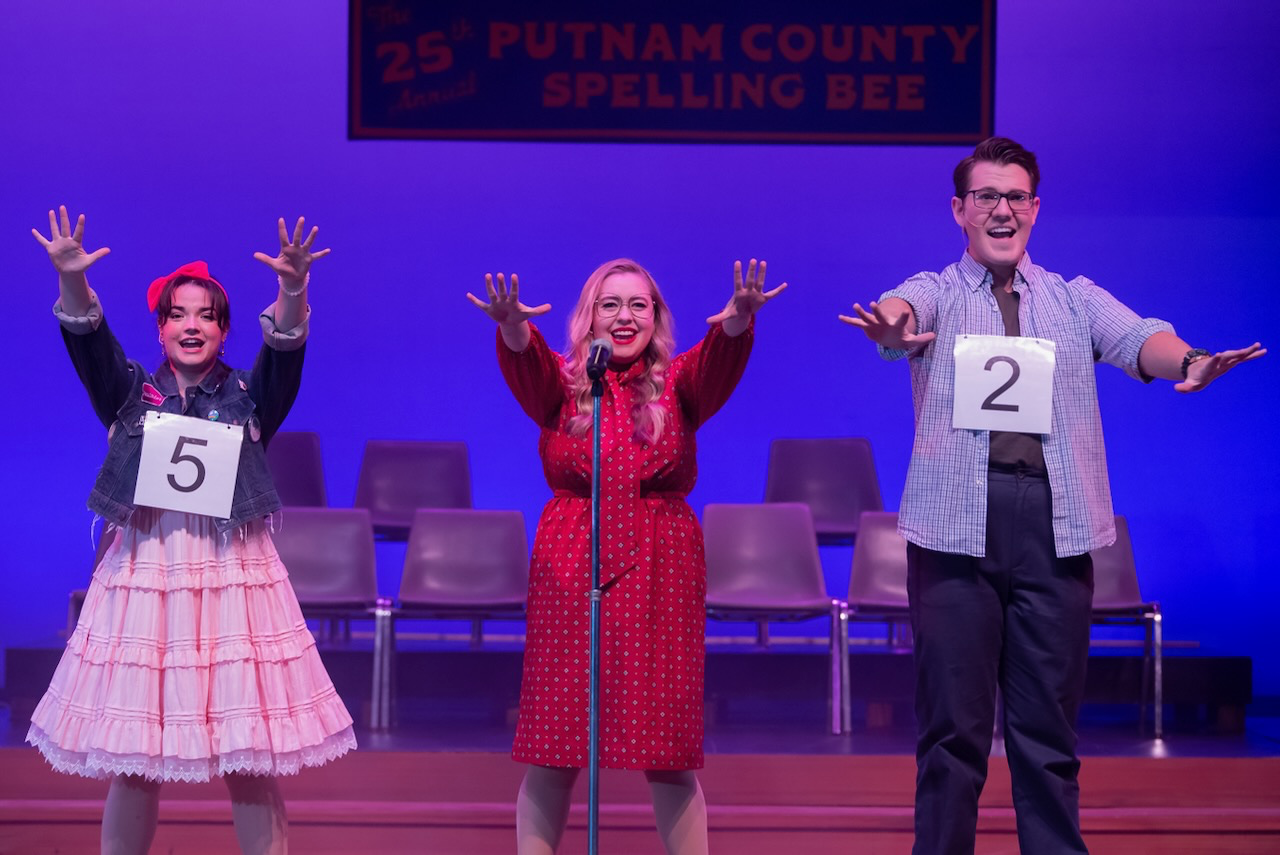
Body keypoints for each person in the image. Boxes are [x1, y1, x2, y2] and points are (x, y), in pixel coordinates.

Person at [840, 137, 1265, 855]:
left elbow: (1141, 337)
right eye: (986, 197)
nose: (1001, 210)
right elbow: (897, 314)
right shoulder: (937, 289)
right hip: (954, 533)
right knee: (953, 734)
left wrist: (1188, 360)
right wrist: (890, 326)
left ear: (1034, 209)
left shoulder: (1073, 299)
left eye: (1015, 197)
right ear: (959, 210)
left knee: (1048, 738)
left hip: (1054, 528)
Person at [27, 207, 357, 855]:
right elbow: (89, 343)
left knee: (248, 753)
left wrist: (293, 290)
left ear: (225, 331)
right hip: (149, 575)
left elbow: (286, 350)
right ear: (160, 328)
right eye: (178, 313)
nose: (192, 325)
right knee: (135, 755)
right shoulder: (130, 395)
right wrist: (72, 280)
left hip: (232, 575)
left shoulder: (248, 396)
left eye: (206, 314)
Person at [467, 258, 785, 854]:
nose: (624, 317)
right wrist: (511, 326)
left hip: (661, 565)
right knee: (554, 743)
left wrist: (740, 316)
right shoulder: (564, 383)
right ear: (589, 318)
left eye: (639, 305)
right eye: (610, 304)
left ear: (657, 317)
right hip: (571, 559)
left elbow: (720, 359)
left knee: (666, 747)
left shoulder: (678, 381)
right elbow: (526, 363)